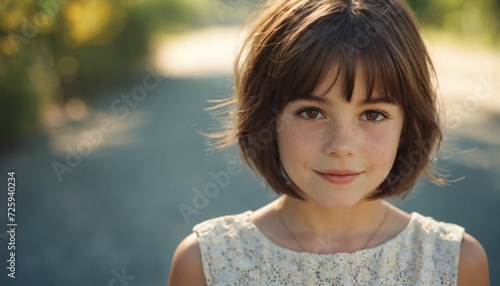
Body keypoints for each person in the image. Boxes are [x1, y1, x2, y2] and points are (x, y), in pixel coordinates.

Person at [168, 0, 490, 285]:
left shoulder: (454, 265)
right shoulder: (205, 264)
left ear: (408, 124)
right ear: (268, 117)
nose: (341, 145)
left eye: (373, 114)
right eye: (312, 112)